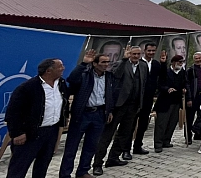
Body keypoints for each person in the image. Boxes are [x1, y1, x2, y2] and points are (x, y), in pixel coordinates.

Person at [5, 58, 67, 178]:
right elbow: (13, 112)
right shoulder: (27, 88)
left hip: (51, 132)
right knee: (19, 168)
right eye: (60, 66)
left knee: (42, 166)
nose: (63, 68)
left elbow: (64, 103)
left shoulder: (61, 84)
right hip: (30, 133)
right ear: (49, 71)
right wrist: (17, 133)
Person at [92, 46, 147, 176]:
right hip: (118, 105)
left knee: (125, 133)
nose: (136, 56)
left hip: (133, 106)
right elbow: (116, 75)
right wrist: (124, 60)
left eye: (138, 54)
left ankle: (113, 158)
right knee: (107, 135)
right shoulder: (121, 64)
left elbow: (143, 84)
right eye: (133, 54)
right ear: (129, 54)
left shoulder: (143, 66)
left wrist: (140, 103)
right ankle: (97, 163)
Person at [60, 50, 114, 178]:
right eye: (103, 62)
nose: (106, 65)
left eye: (108, 62)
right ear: (95, 64)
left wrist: (109, 110)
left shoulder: (109, 76)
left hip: (100, 114)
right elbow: (72, 80)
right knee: (71, 147)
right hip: (83, 114)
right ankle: (65, 174)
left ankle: (83, 171)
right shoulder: (85, 74)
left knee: (91, 146)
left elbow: (111, 94)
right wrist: (83, 64)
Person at [153, 55, 190, 153]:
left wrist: (184, 89)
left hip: (176, 101)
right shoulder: (166, 71)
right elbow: (159, 84)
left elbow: (185, 83)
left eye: (182, 62)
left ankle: (166, 140)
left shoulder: (182, 72)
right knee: (161, 123)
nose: (181, 64)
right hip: (165, 101)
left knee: (172, 122)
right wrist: (167, 89)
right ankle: (158, 144)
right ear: (173, 62)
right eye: (179, 62)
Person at [133, 42, 161, 155]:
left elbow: (160, 78)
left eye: (153, 51)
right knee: (131, 124)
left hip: (148, 98)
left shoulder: (156, 64)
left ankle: (137, 146)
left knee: (143, 124)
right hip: (136, 98)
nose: (151, 53)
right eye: (149, 51)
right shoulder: (138, 63)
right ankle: (125, 149)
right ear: (144, 51)